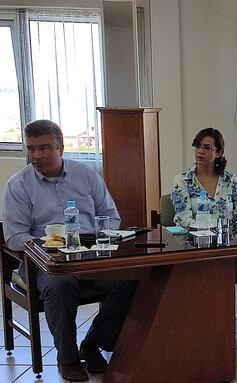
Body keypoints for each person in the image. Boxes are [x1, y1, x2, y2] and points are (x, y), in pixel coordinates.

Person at [1, 120, 135, 382]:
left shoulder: (85, 175)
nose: (37, 155)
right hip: (42, 262)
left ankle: (94, 342)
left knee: (130, 280)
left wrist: (98, 239)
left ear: (61, 148)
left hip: (88, 256)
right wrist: (50, 249)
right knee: (60, 285)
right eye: (31, 149)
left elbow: (110, 217)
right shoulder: (18, 185)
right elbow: (15, 237)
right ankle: (68, 357)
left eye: (44, 148)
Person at [170, 127, 237, 227]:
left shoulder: (230, 180)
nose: (200, 151)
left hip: (227, 239)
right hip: (193, 240)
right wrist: (214, 228)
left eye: (207, 148)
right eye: (197, 146)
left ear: (218, 153)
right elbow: (184, 220)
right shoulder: (182, 180)